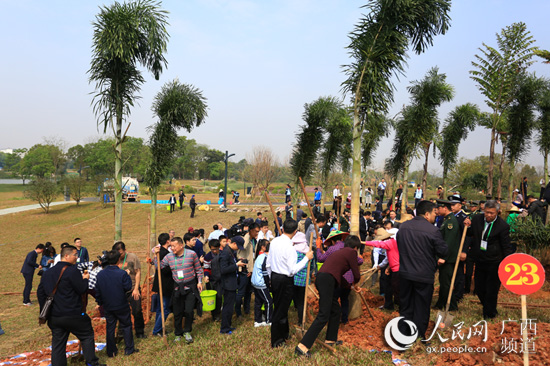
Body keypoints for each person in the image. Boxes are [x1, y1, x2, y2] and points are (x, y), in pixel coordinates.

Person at [37, 245, 104, 366]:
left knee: (58, 345)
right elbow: (82, 289)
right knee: (87, 335)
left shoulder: (47, 273)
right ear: (66, 255)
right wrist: (85, 279)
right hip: (73, 314)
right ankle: (92, 363)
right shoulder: (72, 271)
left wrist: (45, 311)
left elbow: (40, 293)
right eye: (75, 255)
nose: (77, 258)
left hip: (55, 316)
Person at [295, 235, 362, 357]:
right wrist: (356, 283)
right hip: (327, 280)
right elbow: (356, 273)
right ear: (356, 247)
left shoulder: (341, 251)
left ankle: (330, 340)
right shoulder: (351, 252)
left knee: (335, 310)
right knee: (323, 315)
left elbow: (338, 274)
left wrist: (349, 285)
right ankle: (302, 347)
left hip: (324, 279)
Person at [396, 200, 448, 340]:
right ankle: (419, 335)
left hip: (405, 273)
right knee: (422, 306)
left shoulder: (403, 227)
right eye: (434, 214)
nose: (435, 216)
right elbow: (443, 251)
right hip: (423, 275)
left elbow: (399, 245)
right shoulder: (433, 230)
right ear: (426, 214)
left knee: (406, 305)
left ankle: (403, 332)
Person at [267, 219, 314, 348]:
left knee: (282, 307)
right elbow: (293, 269)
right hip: (284, 279)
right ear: (295, 232)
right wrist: (306, 258)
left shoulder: (274, 241)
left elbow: (268, 263)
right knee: (280, 311)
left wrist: (271, 278)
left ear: (282, 229)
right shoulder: (290, 248)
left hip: (275, 277)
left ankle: (284, 334)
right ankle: (277, 341)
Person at [464, 200, 513, 319]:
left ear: (497, 212)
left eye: (492, 213)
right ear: (483, 211)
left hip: (495, 261)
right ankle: (488, 306)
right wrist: (466, 224)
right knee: (479, 288)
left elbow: (506, 245)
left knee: (492, 289)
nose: (489, 215)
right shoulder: (477, 219)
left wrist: (508, 261)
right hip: (480, 259)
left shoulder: (503, 226)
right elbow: (470, 233)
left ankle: (489, 314)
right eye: (487, 212)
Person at [160, 236, 203, 343]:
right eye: (171, 246)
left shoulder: (191, 254)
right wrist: (154, 258)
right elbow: (159, 266)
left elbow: (198, 269)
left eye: (174, 246)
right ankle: (178, 333)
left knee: (189, 311)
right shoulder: (169, 257)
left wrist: (200, 282)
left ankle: (187, 331)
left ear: (181, 245)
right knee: (177, 312)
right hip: (177, 288)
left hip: (190, 287)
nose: (172, 248)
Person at [95, 250, 137, 357]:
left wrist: (100, 302)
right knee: (126, 326)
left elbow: (98, 291)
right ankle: (129, 349)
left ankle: (111, 351)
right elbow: (128, 287)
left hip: (108, 306)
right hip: (121, 304)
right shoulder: (122, 273)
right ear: (119, 260)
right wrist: (127, 275)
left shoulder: (100, 274)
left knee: (110, 327)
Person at [317, 230, 363, 324]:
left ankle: (331, 319)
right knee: (344, 300)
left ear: (333, 241)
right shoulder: (349, 249)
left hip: (336, 279)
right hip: (348, 280)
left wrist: (318, 248)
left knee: (333, 299)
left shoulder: (332, 249)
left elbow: (321, 259)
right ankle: (344, 320)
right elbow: (359, 261)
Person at [113, 241, 145, 338]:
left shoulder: (132, 257)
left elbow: (138, 272)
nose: (120, 256)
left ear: (125, 250)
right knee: (121, 313)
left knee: (137, 310)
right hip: (120, 291)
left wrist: (136, 289)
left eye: (121, 253)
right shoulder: (114, 259)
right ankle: (122, 333)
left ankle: (139, 332)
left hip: (132, 289)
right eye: (118, 254)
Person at [434, 200, 462, 312]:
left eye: (439, 208)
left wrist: (443, 257)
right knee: (443, 281)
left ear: (445, 208)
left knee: (446, 283)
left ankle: (452, 306)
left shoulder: (451, 222)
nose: (437, 211)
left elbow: (448, 242)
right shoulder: (446, 220)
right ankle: (440, 303)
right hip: (446, 257)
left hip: (448, 259)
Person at [365, 228, 400, 310]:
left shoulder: (389, 243)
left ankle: (402, 307)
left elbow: (377, 244)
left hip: (397, 270)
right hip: (393, 268)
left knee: (397, 288)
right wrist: (382, 266)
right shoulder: (391, 243)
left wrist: (363, 242)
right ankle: (388, 305)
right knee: (388, 286)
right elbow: (388, 258)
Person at [219, 236, 247, 334]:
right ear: (234, 243)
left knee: (230, 306)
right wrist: (236, 265)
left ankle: (228, 325)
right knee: (227, 307)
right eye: (238, 246)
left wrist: (238, 261)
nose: (238, 248)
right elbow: (223, 269)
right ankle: (224, 328)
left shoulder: (230, 251)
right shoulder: (226, 253)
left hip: (232, 282)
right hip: (228, 284)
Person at [150, 233, 174, 336]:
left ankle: (158, 329)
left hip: (162, 284)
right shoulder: (164, 253)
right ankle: (157, 330)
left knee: (160, 309)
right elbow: (161, 268)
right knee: (165, 308)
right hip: (165, 284)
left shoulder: (161, 252)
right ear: (168, 241)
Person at [235, 223, 259, 317]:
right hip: (244, 269)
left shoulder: (254, 240)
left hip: (250, 269)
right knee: (241, 292)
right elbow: (243, 247)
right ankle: (238, 311)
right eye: (256, 231)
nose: (257, 233)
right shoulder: (245, 239)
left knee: (249, 291)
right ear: (251, 230)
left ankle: (247, 309)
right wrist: (247, 236)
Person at [251, 239, 272, 327]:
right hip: (261, 284)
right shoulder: (266, 258)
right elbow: (264, 273)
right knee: (268, 301)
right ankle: (268, 321)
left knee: (258, 302)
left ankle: (258, 321)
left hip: (254, 282)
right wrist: (268, 284)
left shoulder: (261, 256)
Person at [203, 239, 222, 322]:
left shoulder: (222, 254)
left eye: (216, 249)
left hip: (220, 279)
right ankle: (214, 314)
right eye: (213, 249)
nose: (215, 251)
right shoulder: (208, 257)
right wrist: (206, 276)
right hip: (211, 280)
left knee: (219, 296)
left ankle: (218, 313)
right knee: (213, 298)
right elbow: (206, 268)